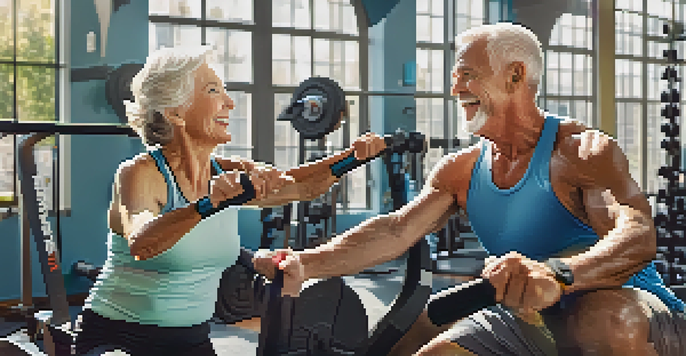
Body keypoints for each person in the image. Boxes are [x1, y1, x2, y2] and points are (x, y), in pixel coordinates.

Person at [254, 23, 686, 356]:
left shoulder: (580, 152)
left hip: (626, 308)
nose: (456, 87)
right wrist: (303, 263)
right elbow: (394, 231)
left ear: (516, 76)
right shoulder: (461, 168)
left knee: (605, 322)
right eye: (455, 75)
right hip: (526, 316)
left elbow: (636, 235)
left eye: (468, 74)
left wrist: (559, 275)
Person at [73, 45, 386, 356]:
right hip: (117, 337)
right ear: (174, 112)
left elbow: (300, 186)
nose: (230, 103)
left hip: (190, 341)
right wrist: (208, 204)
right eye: (213, 91)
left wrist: (352, 158)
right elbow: (143, 242)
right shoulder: (141, 173)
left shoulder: (230, 171)